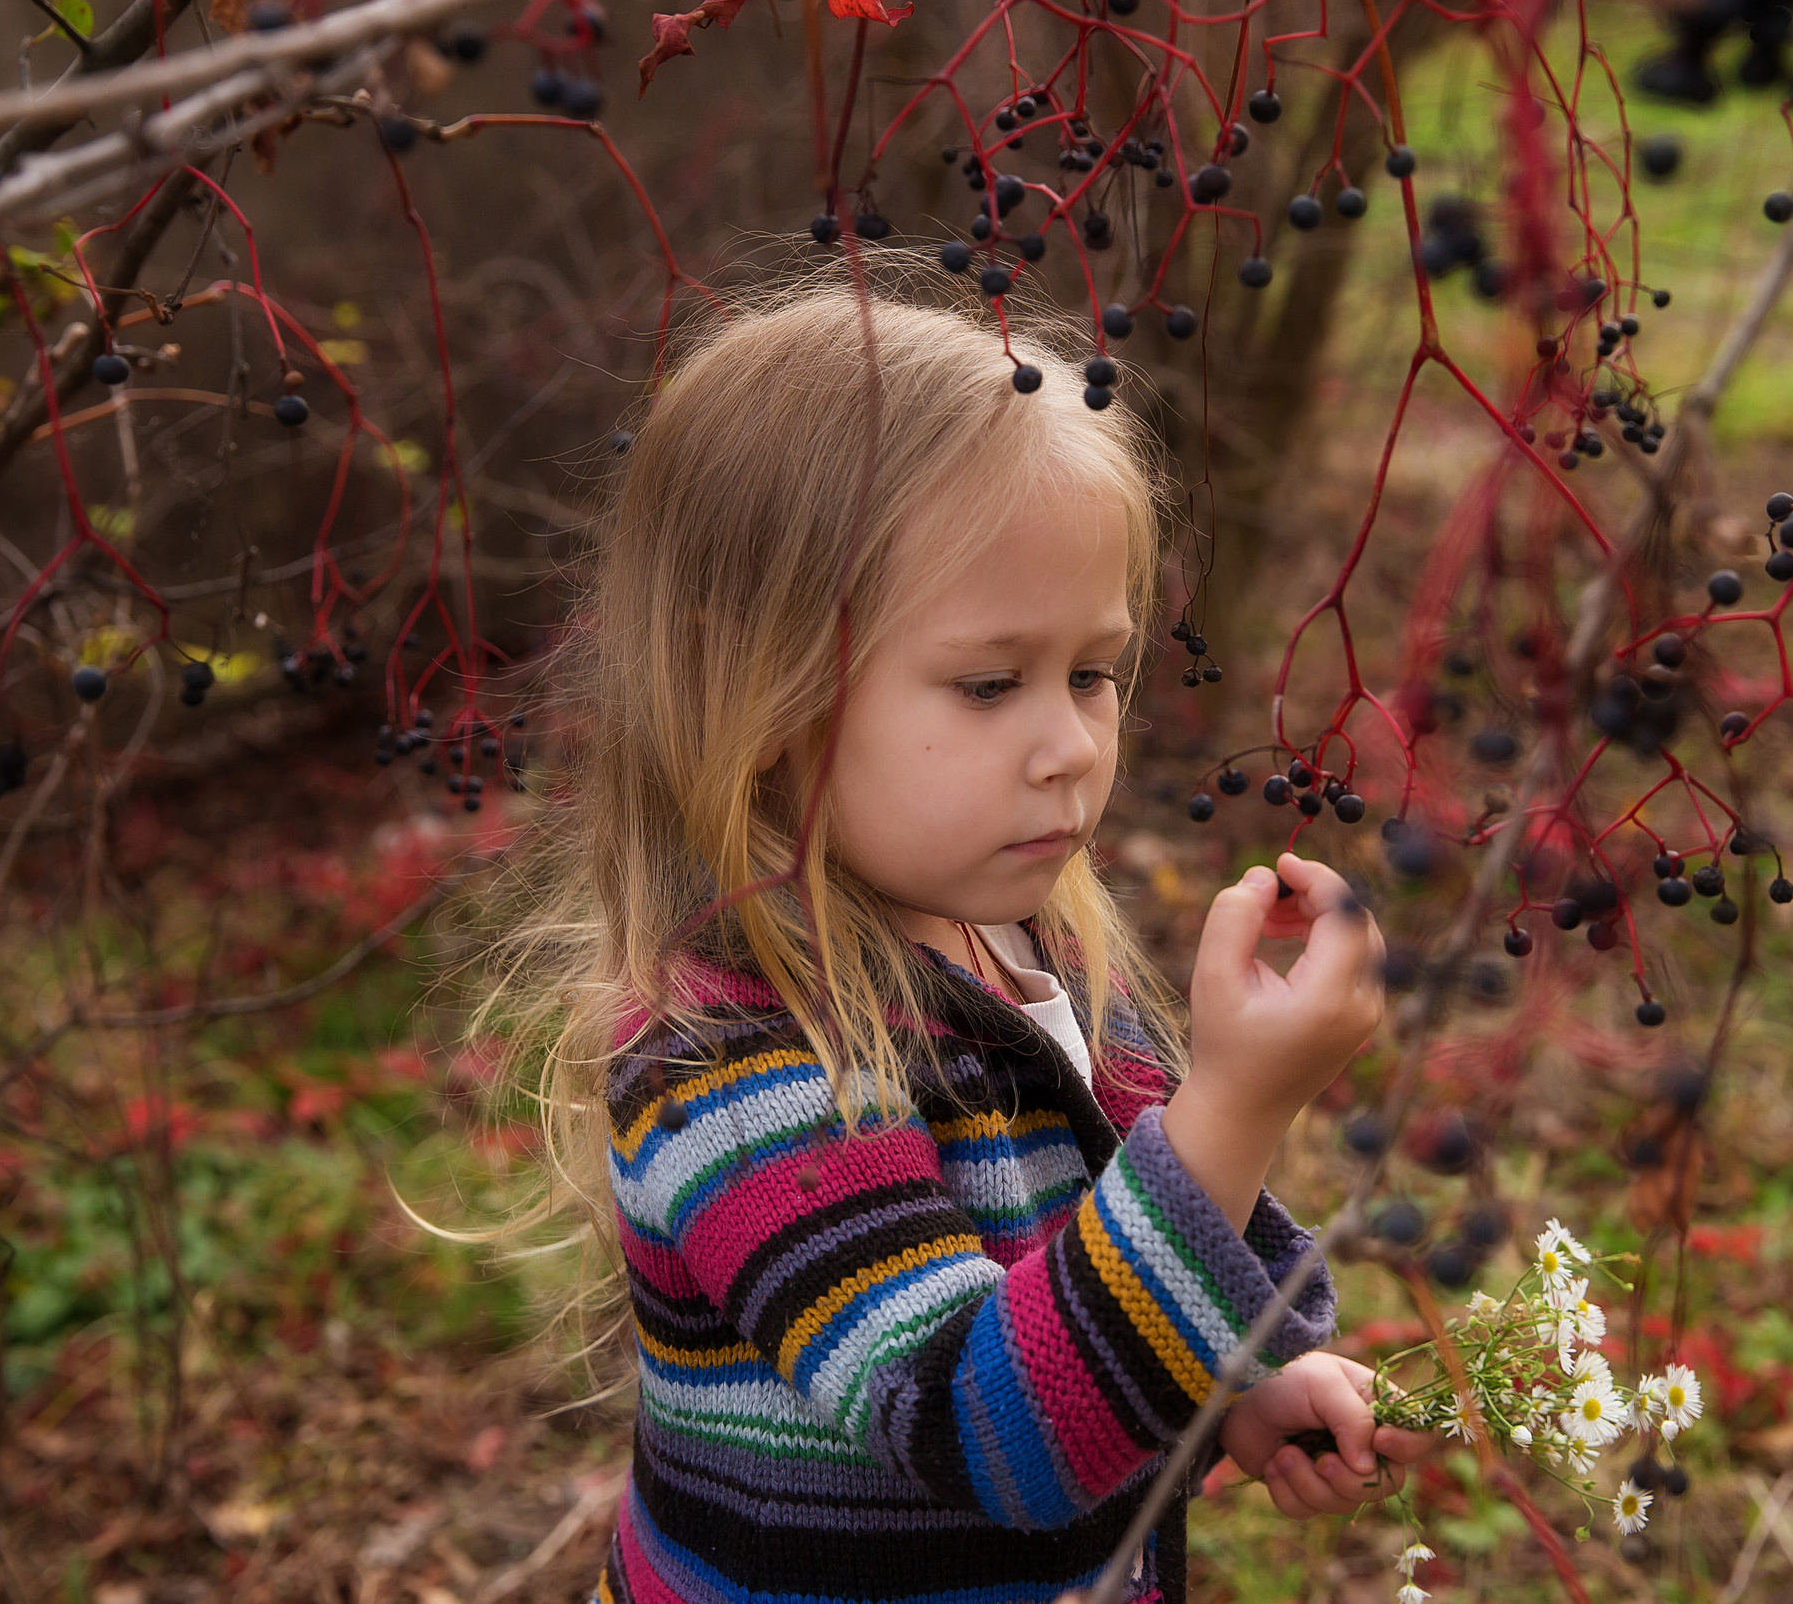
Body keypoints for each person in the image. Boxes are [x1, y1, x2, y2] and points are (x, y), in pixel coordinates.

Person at [454, 256, 1428, 1604]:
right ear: (759, 684)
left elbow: (1086, 1288)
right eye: (987, 684)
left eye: (1094, 673)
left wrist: (1232, 1389)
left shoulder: (1031, 953)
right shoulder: (737, 1059)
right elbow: (991, 1432)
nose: (1068, 745)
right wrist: (1237, 1105)